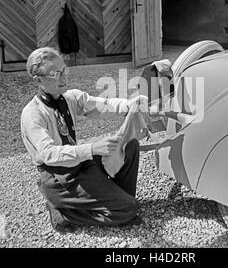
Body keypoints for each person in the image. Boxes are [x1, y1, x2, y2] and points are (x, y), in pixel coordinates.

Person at [21, 47, 147, 233]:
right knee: (128, 210)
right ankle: (62, 212)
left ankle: (119, 201)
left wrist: (130, 104)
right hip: (59, 177)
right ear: (38, 80)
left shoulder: (70, 97)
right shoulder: (33, 114)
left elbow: (101, 104)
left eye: (64, 70)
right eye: (55, 74)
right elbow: (49, 154)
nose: (63, 77)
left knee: (129, 145)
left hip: (79, 164)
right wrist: (92, 148)